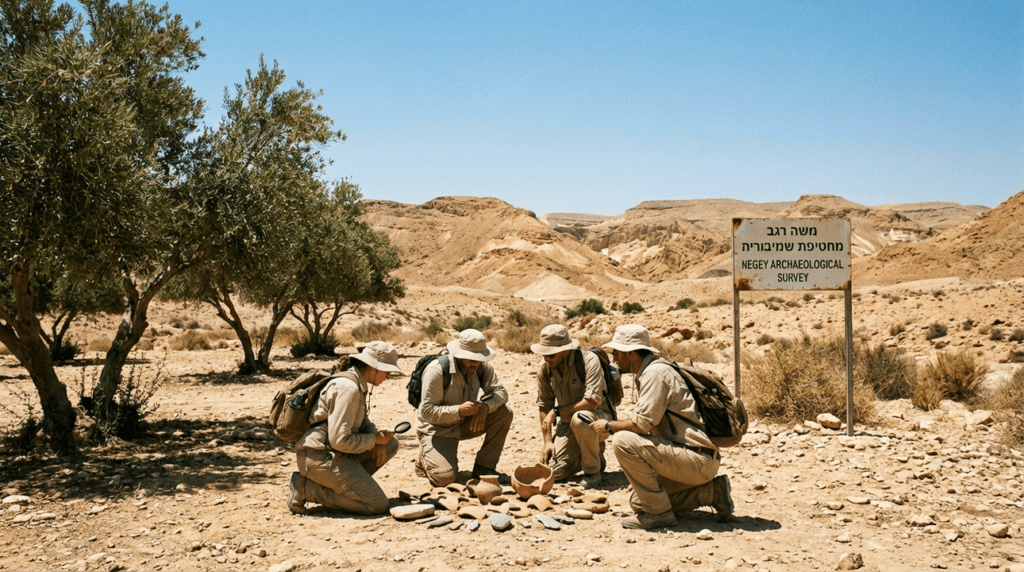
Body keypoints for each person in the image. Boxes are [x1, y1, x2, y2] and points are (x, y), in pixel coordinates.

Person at [591, 324, 734, 530]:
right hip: (697, 458)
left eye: (617, 353)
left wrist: (608, 425)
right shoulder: (656, 369)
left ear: (630, 354)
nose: (614, 359)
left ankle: (659, 515)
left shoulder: (655, 374)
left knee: (622, 441)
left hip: (695, 458)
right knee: (638, 502)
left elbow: (641, 425)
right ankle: (712, 492)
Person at [288, 341, 403, 515]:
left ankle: (349, 486)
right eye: (387, 372)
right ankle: (307, 489)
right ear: (373, 367)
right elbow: (339, 441)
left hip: (333, 452)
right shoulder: (349, 389)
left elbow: (362, 420)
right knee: (377, 504)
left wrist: (377, 439)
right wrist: (374, 440)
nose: (388, 377)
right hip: (320, 456)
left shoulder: (357, 383)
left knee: (389, 445)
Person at [415, 329, 513, 486]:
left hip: (464, 423)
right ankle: (423, 458)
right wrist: (459, 410)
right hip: (437, 429)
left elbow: (500, 392)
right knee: (444, 479)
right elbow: (426, 412)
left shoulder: (481, 366)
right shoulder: (437, 370)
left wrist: (486, 407)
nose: (475, 363)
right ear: (459, 354)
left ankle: (484, 467)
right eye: (471, 359)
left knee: (504, 413)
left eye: (478, 359)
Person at [532, 324, 612, 487]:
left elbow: (591, 403)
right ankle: (587, 455)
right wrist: (547, 441)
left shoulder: (588, 361)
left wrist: (557, 411)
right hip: (567, 423)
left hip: (598, 419)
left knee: (580, 418)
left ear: (565, 350)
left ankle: (592, 472)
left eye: (552, 355)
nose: (547, 358)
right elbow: (544, 405)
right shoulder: (545, 369)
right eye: (544, 354)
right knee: (556, 472)